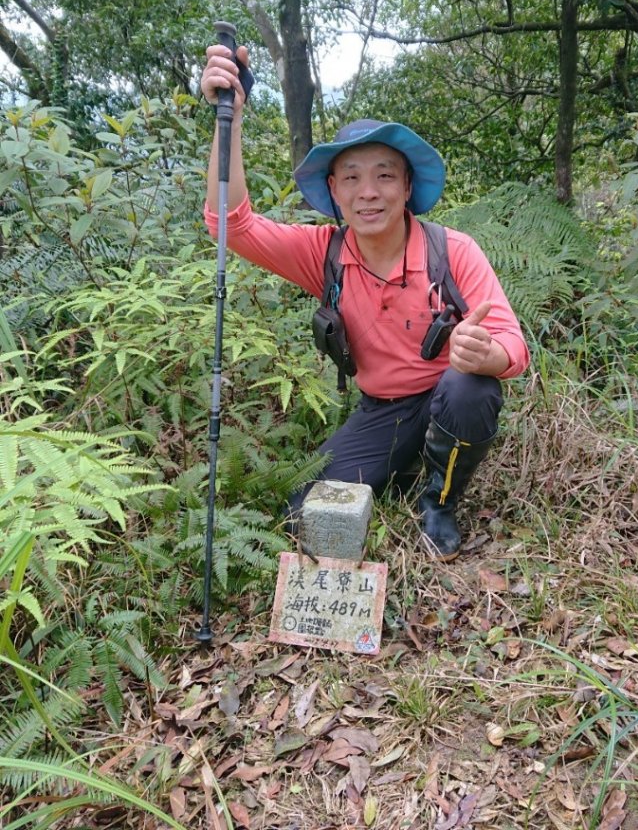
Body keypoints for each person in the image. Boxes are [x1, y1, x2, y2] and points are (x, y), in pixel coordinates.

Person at [201, 43, 530, 562]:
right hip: (383, 410)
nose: (368, 192)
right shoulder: (323, 254)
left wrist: (485, 355)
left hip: (446, 394)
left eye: (384, 175)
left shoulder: (452, 251)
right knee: (304, 514)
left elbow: (514, 346)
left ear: (406, 187)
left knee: (472, 388)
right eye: (352, 177)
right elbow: (230, 224)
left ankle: (438, 504)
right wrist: (230, 119)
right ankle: (399, 464)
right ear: (334, 191)